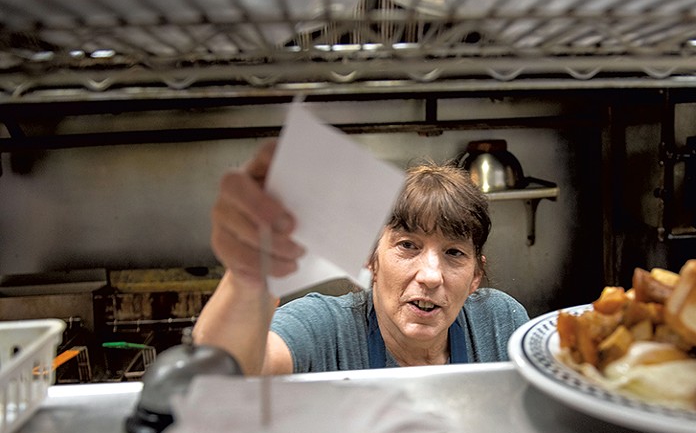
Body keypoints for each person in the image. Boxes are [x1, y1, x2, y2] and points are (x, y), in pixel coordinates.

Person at [192, 140, 529, 375]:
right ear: (371, 259)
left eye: (454, 253)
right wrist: (250, 271)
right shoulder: (325, 328)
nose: (430, 275)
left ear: (475, 277)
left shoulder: (501, 323)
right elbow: (226, 374)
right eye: (408, 246)